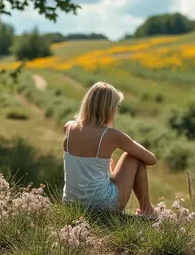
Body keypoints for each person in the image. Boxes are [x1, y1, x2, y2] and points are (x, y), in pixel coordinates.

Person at [62, 81, 157, 216]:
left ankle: (147, 209)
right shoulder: (111, 135)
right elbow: (151, 159)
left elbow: (84, 165)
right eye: (116, 106)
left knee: (110, 167)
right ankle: (147, 210)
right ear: (109, 108)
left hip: (70, 203)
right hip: (102, 205)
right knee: (133, 157)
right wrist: (130, 142)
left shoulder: (69, 127)